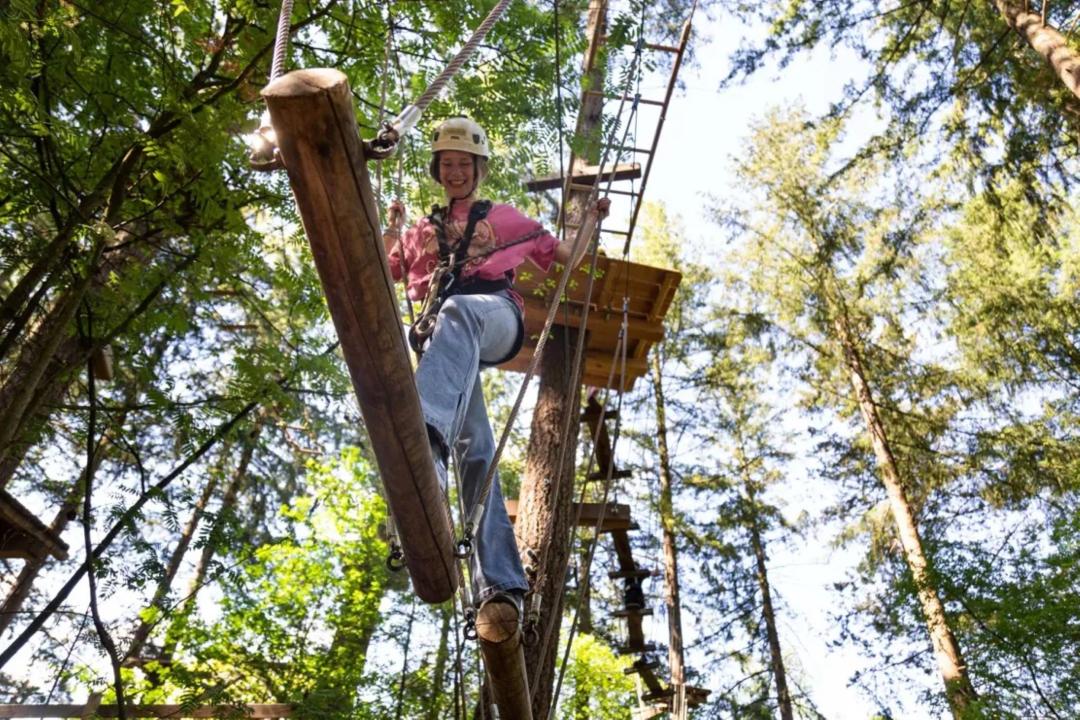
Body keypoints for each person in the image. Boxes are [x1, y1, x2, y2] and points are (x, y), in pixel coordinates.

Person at [381, 116, 609, 621]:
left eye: (464, 163)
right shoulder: (422, 232)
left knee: (460, 315)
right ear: (437, 170)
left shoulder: (505, 219)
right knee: (476, 449)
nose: (456, 171)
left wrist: (590, 221)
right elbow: (382, 266)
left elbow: (565, 258)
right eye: (448, 164)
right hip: (444, 337)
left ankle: (422, 439)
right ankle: (501, 581)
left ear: (478, 169)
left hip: (495, 317)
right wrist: (393, 229)